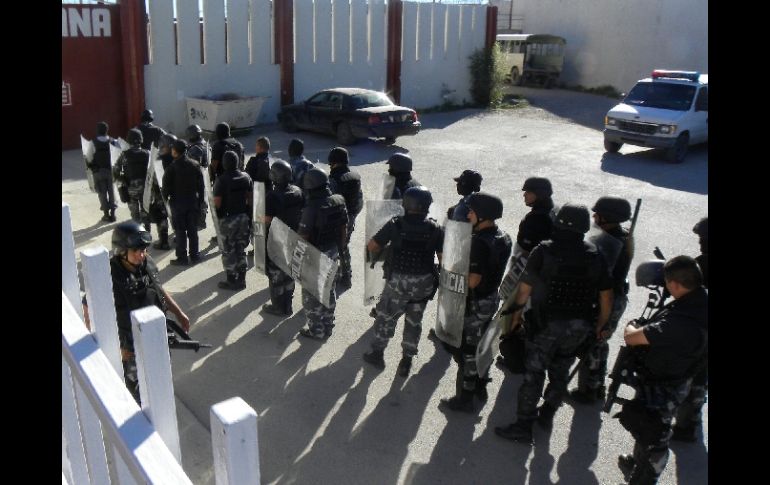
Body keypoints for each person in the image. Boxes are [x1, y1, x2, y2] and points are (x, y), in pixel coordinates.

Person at [494, 203, 613, 443]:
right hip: (578, 327)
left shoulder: (544, 251)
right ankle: (547, 413)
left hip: (545, 326)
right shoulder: (595, 255)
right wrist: (601, 325)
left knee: (534, 374)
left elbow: (523, 291)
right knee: (560, 371)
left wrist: (514, 321)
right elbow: (606, 296)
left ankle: (523, 426)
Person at [617, 256, 708, 484]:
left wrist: (631, 326)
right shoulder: (701, 300)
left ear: (675, 284)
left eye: (668, 283)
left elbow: (632, 337)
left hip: (664, 384)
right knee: (647, 426)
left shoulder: (677, 324)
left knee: (654, 434)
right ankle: (638, 463)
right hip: (683, 374)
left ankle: (646, 478)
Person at [99, 221, 190, 402]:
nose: (142, 255)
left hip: (156, 335)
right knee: (138, 396)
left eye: (144, 250)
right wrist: (116, 348)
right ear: (121, 251)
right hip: (130, 347)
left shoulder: (146, 263)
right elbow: (92, 313)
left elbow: (158, 289)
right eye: (136, 251)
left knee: (160, 383)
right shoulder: (108, 275)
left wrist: (179, 313)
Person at [439, 192, 512, 412]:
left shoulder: (478, 243)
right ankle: (480, 385)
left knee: (467, 351)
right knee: (481, 345)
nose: (468, 214)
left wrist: (450, 269)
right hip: (489, 299)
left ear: (483, 215)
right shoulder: (503, 237)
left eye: (472, 211)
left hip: (473, 303)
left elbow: (472, 281)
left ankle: (465, 398)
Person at [362, 186, 443, 376]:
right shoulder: (435, 228)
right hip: (423, 284)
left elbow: (372, 246)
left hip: (398, 283)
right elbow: (442, 259)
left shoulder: (395, 224)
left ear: (406, 204)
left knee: (386, 317)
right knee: (414, 321)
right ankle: (406, 361)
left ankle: (377, 354)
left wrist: (389, 248)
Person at [570, 196, 634, 403]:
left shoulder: (611, 243)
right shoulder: (622, 236)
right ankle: (597, 386)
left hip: (606, 300)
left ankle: (588, 391)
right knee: (599, 343)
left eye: (598, 214)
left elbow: (597, 274)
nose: (594, 217)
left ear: (609, 217)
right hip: (613, 298)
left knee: (593, 343)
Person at [296, 168, 348, 340]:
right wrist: (340, 249)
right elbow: (343, 227)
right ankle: (328, 325)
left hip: (315, 255)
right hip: (333, 252)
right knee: (329, 289)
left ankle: (316, 331)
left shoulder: (311, 208)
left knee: (311, 295)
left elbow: (303, 237)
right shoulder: (339, 200)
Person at [670, 217, 709, 442]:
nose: (701, 243)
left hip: (699, 330)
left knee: (693, 375)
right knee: (701, 377)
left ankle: (686, 425)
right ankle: (690, 421)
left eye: (704, 239)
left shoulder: (702, 264)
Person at [261, 160, 304, 315]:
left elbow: (266, 220)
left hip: (277, 241)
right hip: (294, 238)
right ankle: (288, 305)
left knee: (276, 276)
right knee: (290, 273)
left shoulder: (272, 196)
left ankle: (278, 307)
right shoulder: (298, 191)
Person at [213, 151, 252, 290]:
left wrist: (217, 218)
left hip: (227, 220)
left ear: (224, 164)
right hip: (243, 218)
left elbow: (217, 203)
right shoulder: (246, 177)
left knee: (228, 250)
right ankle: (242, 279)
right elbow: (250, 198)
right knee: (241, 248)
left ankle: (231, 279)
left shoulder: (221, 180)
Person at [162, 140, 205, 266]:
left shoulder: (171, 168)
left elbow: (165, 189)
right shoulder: (195, 165)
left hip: (178, 204)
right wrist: (200, 202)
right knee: (193, 231)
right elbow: (201, 187)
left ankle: (182, 257)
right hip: (192, 203)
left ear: (175, 152)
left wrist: (165, 201)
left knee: (180, 231)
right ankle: (195, 255)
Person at [327, 147, 364, 291]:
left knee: (336, 248)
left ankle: (339, 277)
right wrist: (353, 215)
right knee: (344, 246)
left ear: (334, 162)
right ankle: (346, 275)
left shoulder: (334, 179)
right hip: (351, 216)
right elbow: (359, 200)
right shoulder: (355, 176)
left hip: (339, 219)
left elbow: (331, 202)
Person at [114, 128, 150, 229]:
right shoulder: (147, 153)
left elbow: (116, 170)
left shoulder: (124, 155)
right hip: (145, 188)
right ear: (141, 139)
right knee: (146, 210)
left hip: (130, 188)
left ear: (129, 140)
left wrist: (121, 179)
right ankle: (147, 230)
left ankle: (138, 231)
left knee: (134, 213)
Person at [90, 121, 119, 222]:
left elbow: (88, 157)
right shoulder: (113, 141)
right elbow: (118, 155)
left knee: (102, 193)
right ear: (107, 130)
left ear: (97, 130)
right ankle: (113, 215)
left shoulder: (92, 142)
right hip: (111, 171)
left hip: (98, 172)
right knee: (112, 192)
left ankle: (106, 215)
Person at [186, 124, 210, 230]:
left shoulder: (195, 148)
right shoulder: (205, 144)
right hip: (205, 175)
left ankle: (199, 222)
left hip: (197, 177)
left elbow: (192, 166)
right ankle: (201, 221)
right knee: (203, 199)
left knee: (197, 200)